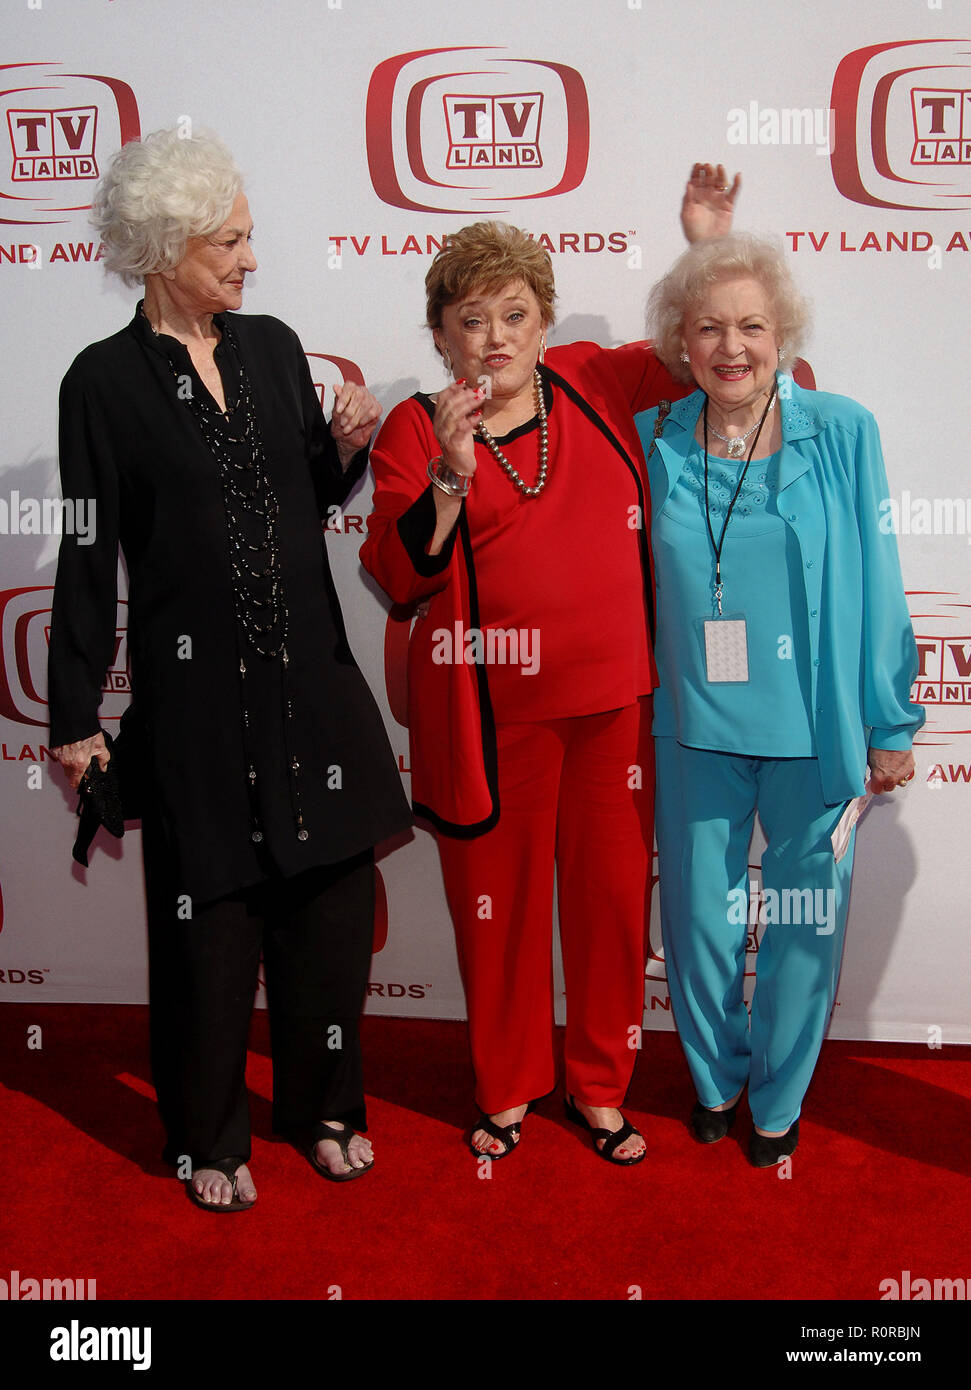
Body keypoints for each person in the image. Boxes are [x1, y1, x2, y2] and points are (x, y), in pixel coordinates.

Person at [48, 128, 410, 1209]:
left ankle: (325, 1108)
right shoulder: (101, 383)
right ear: (166, 247)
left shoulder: (271, 348)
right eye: (230, 241)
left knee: (332, 911)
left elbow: (301, 495)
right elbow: (84, 548)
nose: (251, 260)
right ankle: (209, 1137)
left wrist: (340, 450)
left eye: (249, 238)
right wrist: (74, 712)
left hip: (312, 686)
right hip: (197, 701)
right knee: (210, 926)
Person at [360, 166, 738, 1165]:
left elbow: (699, 344)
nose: (494, 337)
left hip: (615, 704)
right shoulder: (412, 429)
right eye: (470, 318)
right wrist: (449, 470)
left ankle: (601, 1088)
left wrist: (702, 243)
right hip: (489, 725)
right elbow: (396, 572)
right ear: (441, 335)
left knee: (612, 908)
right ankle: (506, 1090)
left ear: (543, 320)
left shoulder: (591, 378)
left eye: (513, 313)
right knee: (499, 916)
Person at [634, 232, 924, 1165]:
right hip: (693, 724)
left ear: (782, 333)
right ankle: (714, 1078)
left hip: (816, 723)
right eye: (709, 327)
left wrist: (889, 717)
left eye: (751, 326)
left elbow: (878, 577)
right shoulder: (650, 439)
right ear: (679, 342)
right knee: (696, 914)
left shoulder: (841, 431)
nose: (731, 347)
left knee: (805, 918)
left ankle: (778, 1097)